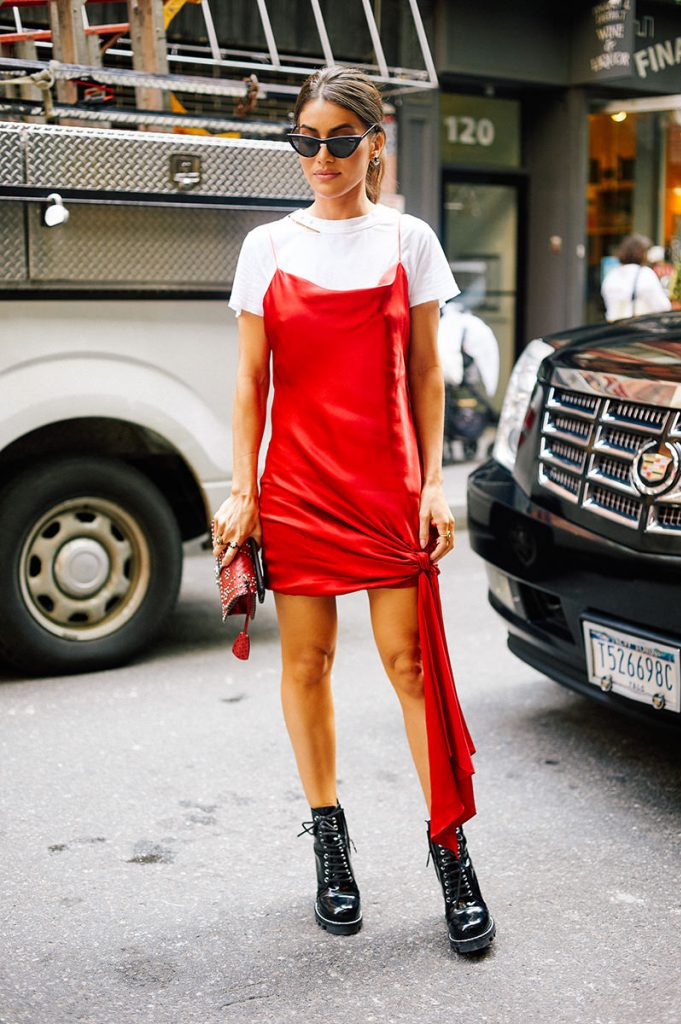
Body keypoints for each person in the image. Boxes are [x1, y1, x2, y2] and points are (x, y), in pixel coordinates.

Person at [212, 65, 495, 955]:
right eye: (307, 141)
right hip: (295, 485)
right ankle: (331, 847)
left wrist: (433, 482)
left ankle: (449, 849)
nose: (322, 158)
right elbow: (251, 381)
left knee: (409, 667)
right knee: (308, 665)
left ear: (375, 143)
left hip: (383, 484)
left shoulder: (408, 239)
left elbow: (423, 373)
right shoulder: (267, 245)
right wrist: (242, 491)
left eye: (340, 140)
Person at [601, 233, 672, 322]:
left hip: (615, 330)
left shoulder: (611, 275)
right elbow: (664, 307)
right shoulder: (644, 274)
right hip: (640, 331)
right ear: (643, 254)